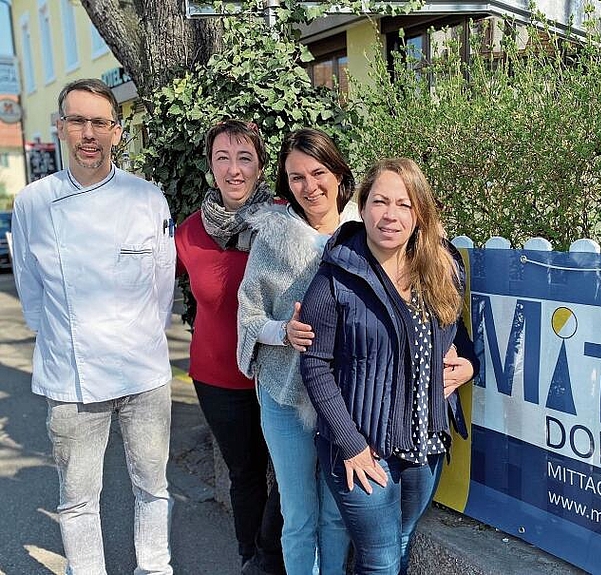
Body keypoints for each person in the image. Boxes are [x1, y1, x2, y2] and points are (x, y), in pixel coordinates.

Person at [10, 78, 175, 574]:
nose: (88, 133)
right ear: (60, 127)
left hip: (144, 374)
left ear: (117, 132)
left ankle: (155, 568)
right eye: (77, 120)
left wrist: (143, 335)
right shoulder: (33, 203)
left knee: (153, 488)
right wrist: (58, 340)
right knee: (78, 498)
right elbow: (30, 288)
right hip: (72, 377)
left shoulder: (147, 198)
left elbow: (162, 285)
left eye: (99, 123)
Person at [299, 157, 479, 575]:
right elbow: (315, 366)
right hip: (362, 447)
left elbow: (456, 336)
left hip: (424, 442)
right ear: (362, 208)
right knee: (380, 560)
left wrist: (468, 364)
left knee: (397, 543)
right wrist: (351, 444)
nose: (391, 215)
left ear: (420, 214)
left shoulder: (440, 268)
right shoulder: (335, 276)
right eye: (380, 201)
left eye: (404, 204)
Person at [237, 128, 356, 575]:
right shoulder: (272, 236)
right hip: (285, 397)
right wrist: (283, 331)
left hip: (346, 400)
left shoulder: (364, 231)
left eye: (318, 172)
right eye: (297, 177)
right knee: (299, 513)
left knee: (336, 512)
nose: (310, 187)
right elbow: (247, 315)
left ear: (338, 172)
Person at [174, 119, 284, 575]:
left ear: (259, 165)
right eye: (223, 158)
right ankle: (251, 558)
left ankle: (272, 554)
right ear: (210, 167)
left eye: (244, 158)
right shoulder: (187, 234)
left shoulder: (283, 219)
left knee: (288, 474)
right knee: (244, 474)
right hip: (218, 376)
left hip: (279, 373)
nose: (234, 170)